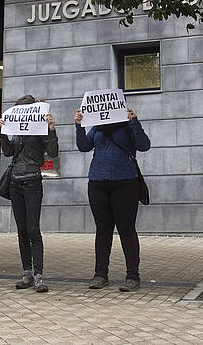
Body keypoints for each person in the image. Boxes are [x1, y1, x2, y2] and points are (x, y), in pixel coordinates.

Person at [74, 107, 150, 292]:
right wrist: (79, 126)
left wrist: (134, 122)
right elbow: (84, 146)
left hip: (125, 183)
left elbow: (144, 145)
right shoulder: (98, 128)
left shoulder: (127, 125)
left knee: (126, 230)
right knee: (103, 230)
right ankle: (100, 275)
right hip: (98, 183)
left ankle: (132, 276)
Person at [0, 95, 57, 293]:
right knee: (22, 230)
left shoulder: (40, 130)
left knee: (32, 229)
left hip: (32, 181)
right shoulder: (15, 132)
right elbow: (6, 152)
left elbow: (53, 152)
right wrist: (1, 133)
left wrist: (51, 130)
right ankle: (27, 272)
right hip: (15, 182)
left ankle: (39, 275)